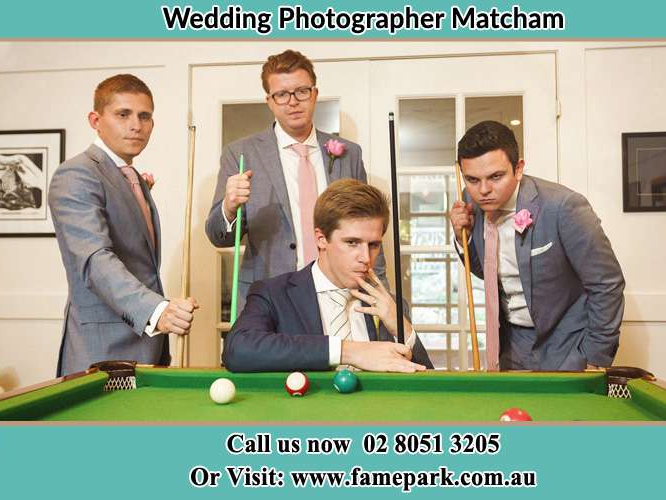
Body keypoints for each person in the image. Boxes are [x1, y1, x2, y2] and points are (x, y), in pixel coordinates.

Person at [205, 49, 387, 317]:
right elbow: (218, 237)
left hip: (342, 294)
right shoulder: (241, 154)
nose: (292, 102)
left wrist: (381, 292)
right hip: (269, 298)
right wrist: (229, 208)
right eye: (281, 94)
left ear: (314, 94)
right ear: (269, 100)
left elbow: (369, 230)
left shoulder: (349, 153)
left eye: (301, 91)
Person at [49, 74, 198, 376]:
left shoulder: (133, 178)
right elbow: (94, 260)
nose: (136, 125)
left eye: (144, 116)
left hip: (146, 347)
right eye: (123, 114)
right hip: (103, 354)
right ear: (95, 119)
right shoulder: (75, 174)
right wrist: (158, 311)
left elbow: (139, 262)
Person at [450, 121, 624, 371]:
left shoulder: (564, 206)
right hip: (510, 346)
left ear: (518, 168)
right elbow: (486, 270)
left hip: (567, 344)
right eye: (473, 179)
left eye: (496, 176)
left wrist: (594, 355)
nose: (484, 190)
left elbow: (607, 284)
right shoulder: (470, 202)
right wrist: (461, 237)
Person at [222, 179, 432, 372]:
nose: (366, 258)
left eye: (374, 244)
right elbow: (238, 350)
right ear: (321, 239)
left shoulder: (392, 306)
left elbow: (427, 386)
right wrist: (348, 352)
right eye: (352, 243)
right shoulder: (274, 294)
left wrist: (402, 326)